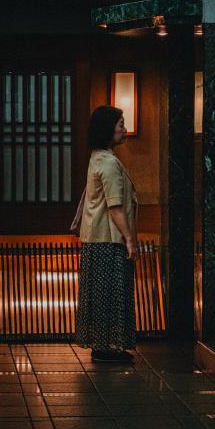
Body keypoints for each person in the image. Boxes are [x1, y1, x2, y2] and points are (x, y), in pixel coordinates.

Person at [74, 105, 138, 362]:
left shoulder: (97, 157)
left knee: (100, 295)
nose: (124, 129)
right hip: (108, 239)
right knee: (111, 294)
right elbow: (115, 206)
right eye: (120, 124)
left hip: (96, 239)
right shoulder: (109, 163)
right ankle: (107, 347)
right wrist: (129, 239)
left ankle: (103, 345)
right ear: (108, 129)